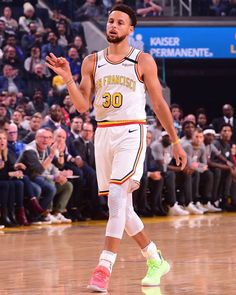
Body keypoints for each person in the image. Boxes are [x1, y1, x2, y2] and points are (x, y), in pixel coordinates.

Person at [46, 4, 187, 293]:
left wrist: (174, 141)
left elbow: (159, 104)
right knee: (122, 207)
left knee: (117, 198)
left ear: (130, 29)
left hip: (132, 130)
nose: (113, 25)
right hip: (103, 133)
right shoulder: (91, 61)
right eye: (110, 21)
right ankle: (154, 258)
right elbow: (84, 105)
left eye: (120, 22)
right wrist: (69, 77)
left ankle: (104, 266)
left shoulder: (142, 60)